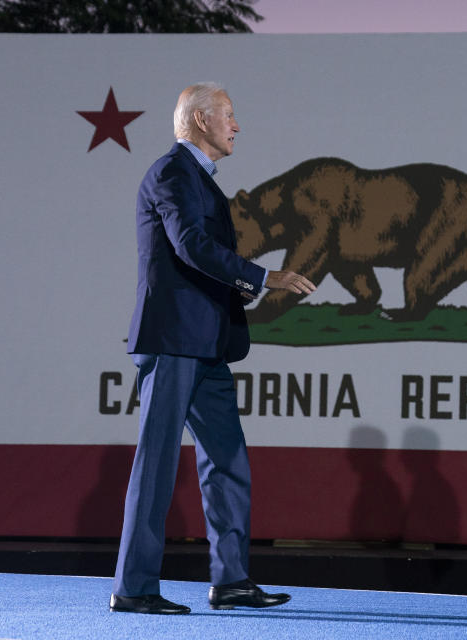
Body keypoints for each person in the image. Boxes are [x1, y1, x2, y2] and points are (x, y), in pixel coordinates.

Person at [110, 82, 316, 615]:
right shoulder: (171, 173)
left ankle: (231, 581)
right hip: (174, 342)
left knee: (228, 460)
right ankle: (133, 588)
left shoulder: (201, 181)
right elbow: (191, 247)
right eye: (228, 115)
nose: (236, 125)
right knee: (156, 464)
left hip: (208, 346)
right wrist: (263, 276)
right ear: (200, 120)